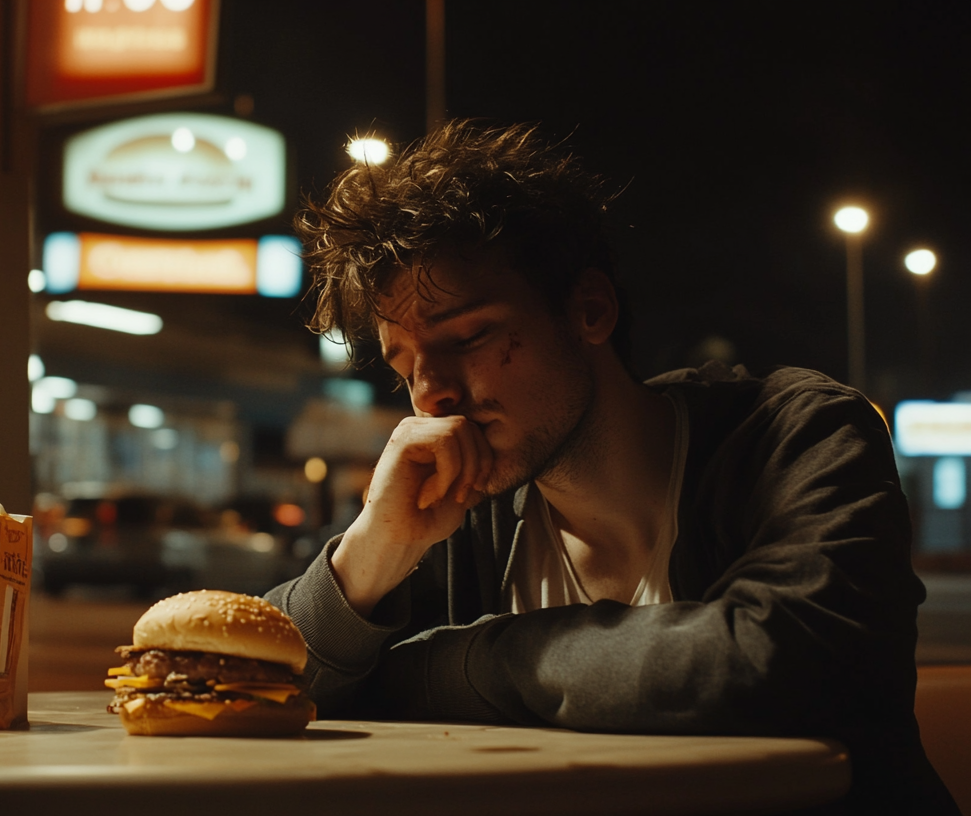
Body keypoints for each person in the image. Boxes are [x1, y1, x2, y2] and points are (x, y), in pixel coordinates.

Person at [266, 121, 957, 814]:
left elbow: (786, 663)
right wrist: (370, 554)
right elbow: (236, 687)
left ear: (589, 311)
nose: (431, 394)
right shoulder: (461, 507)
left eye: (471, 336)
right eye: (406, 365)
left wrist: (461, 664)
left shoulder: (794, 432)